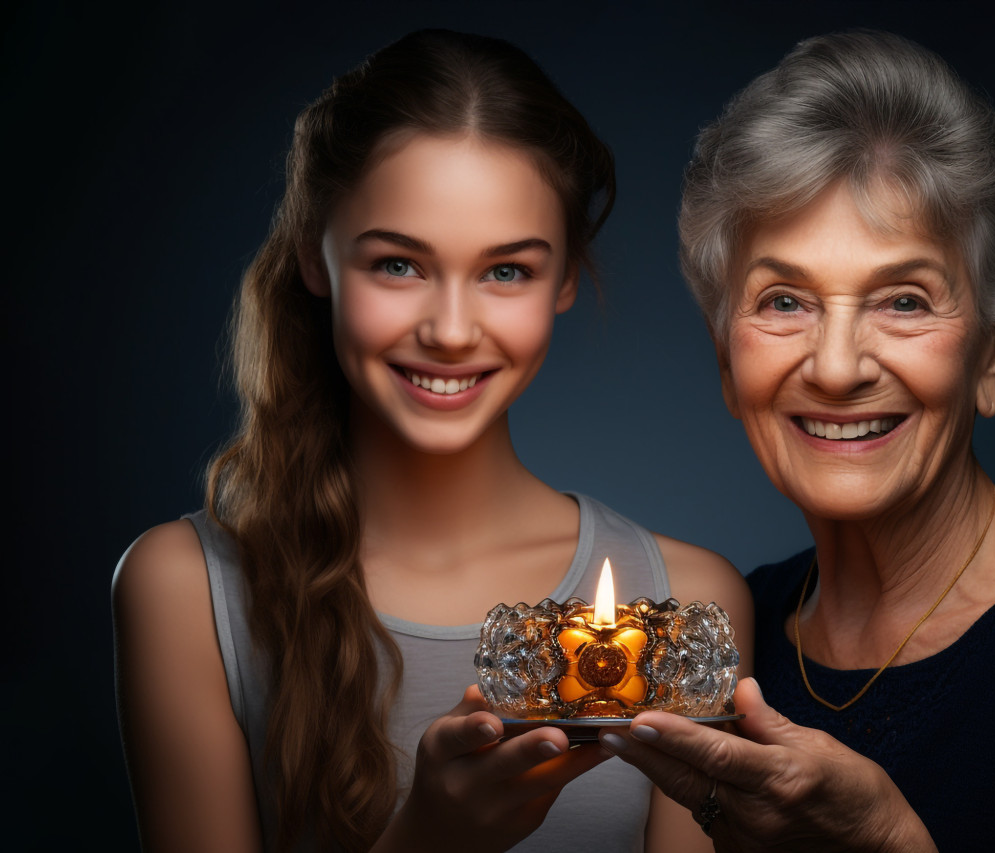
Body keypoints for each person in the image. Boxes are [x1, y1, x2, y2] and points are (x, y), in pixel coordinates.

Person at [111, 29, 752, 853]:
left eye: (506, 270)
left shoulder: (689, 599)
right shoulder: (183, 589)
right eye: (399, 266)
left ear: (563, 279)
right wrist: (430, 837)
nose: (451, 330)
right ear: (315, 254)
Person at [597, 30, 995, 850]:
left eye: (903, 300)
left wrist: (893, 841)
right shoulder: (729, 631)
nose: (834, 367)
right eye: (784, 300)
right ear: (726, 357)